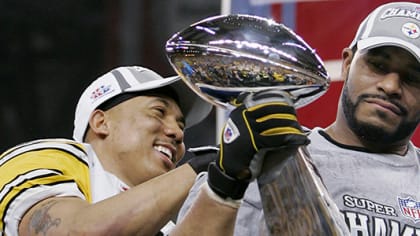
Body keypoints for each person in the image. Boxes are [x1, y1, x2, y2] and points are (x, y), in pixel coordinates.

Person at [177, 1, 420, 235]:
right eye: (377, 65)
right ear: (347, 63)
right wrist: (225, 183)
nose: (390, 86)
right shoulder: (265, 158)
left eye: (413, 78)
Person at [0, 65, 306, 235]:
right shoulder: (46, 156)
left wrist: (227, 181)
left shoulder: (166, 225)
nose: (176, 132)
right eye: (158, 112)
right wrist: (201, 166)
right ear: (101, 121)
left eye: (181, 125)